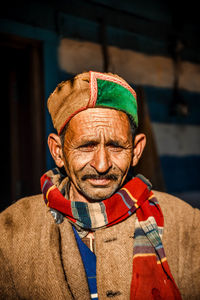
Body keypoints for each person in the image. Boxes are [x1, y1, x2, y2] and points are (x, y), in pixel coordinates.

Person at [0, 71, 199, 300]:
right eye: (86, 146)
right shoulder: (10, 231)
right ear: (58, 152)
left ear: (136, 151)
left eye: (116, 146)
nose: (102, 165)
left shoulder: (187, 225)